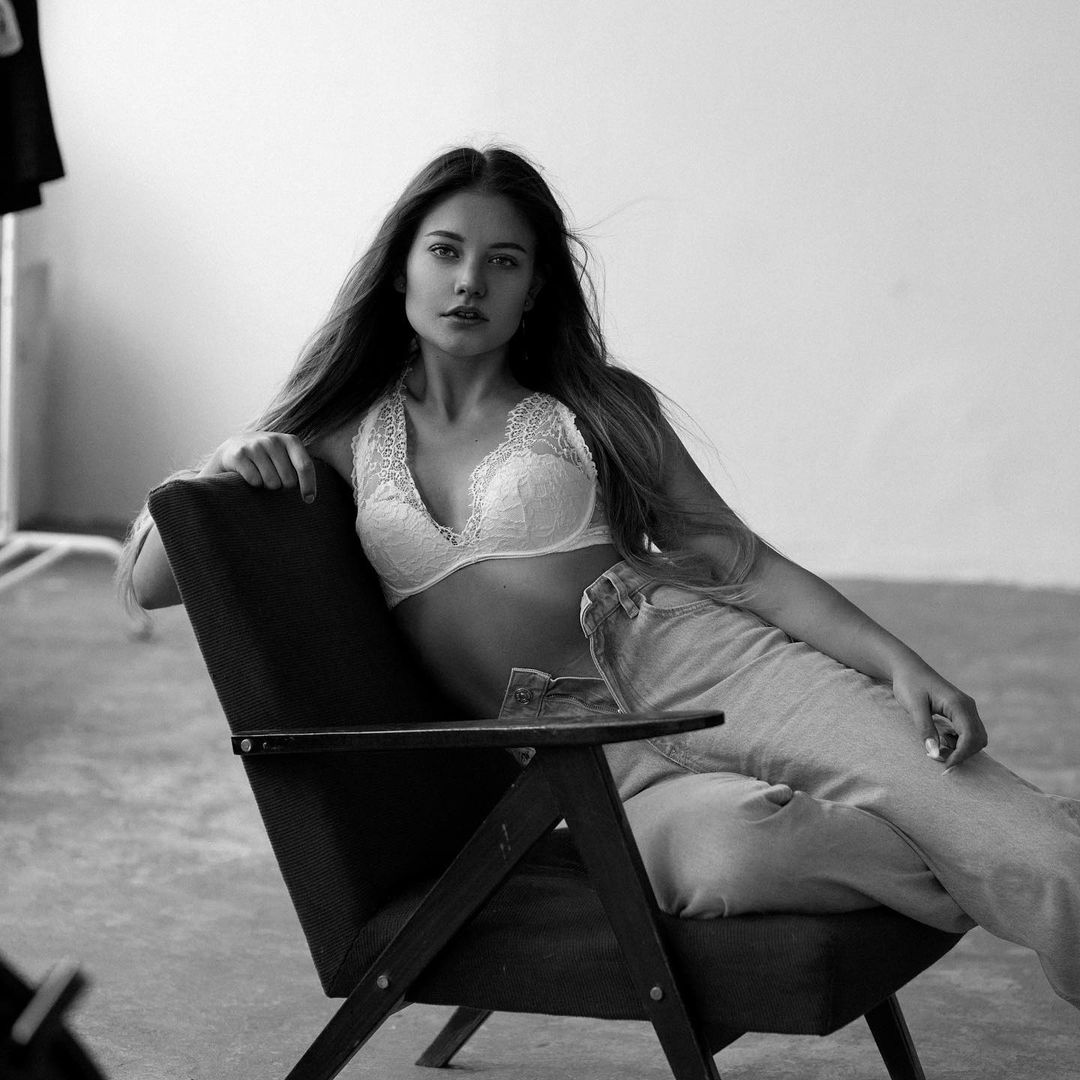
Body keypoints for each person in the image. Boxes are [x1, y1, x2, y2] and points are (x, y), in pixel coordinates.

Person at [119, 145, 1080, 1009]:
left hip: (704, 663)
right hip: (586, 759)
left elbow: (741, 562)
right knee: (732, 861)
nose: (470, 281)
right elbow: (154, 578)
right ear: (400, 266)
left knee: (1044, 862)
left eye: (504, 261)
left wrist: (902, 663)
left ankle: (1015, 845)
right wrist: (224, 460)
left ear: (534, 288)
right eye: (446, 251)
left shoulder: (593, 407)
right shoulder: (339, 433)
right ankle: (985, 843)